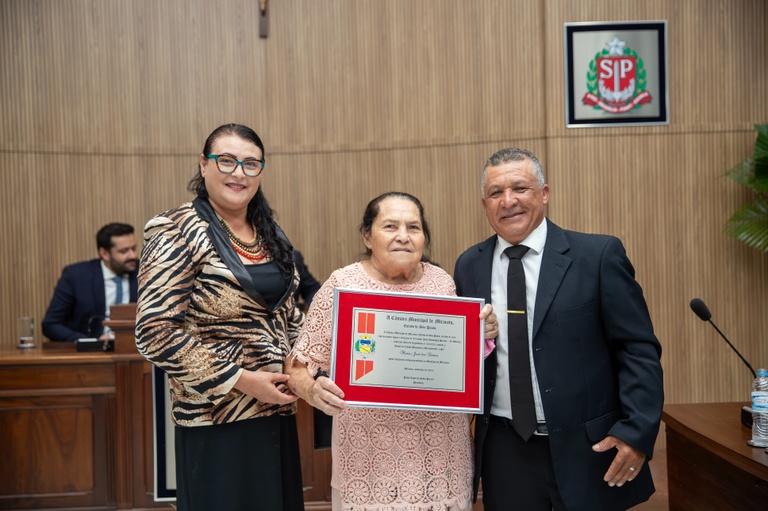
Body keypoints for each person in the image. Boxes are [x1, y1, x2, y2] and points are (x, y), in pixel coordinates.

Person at [453, 148, 664, 511]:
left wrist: (636, 432)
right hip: (505, 450)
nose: (508, 201)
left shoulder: (597, 256)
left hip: (588, 447)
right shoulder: (470, 265)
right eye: (495, 193)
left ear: (544, 193)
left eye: (520, 188)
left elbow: (638, 351)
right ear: (484, 204)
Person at [286, 191, 498, 511]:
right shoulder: (342, 286)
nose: (403, 236)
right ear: (366, 236)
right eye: (390, 226)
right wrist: (312, 391)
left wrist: (483, 332)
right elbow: (297, 366)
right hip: (369, 459)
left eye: (413, 227)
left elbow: (453, 357)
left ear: (424, 237)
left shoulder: (441, 282)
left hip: (441, 455)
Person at [135, 124, 304, 511]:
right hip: (217, 415)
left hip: (276, 408)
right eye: (226, 161)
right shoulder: (175, 229)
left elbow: (288, 316)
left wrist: (306, 370)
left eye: (250, 163)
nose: (239, 173)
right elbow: (155, 332)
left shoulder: (268, 231)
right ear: (204, 164)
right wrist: (243, 381)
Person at [42, 223, 138, 341]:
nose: (132, 255)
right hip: (92, 349)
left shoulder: (147, 272)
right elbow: (51, 325)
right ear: (104, 254)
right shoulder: (75, 276)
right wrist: (91, 342)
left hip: (136, 348)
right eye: (124, 251)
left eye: (134, 249)